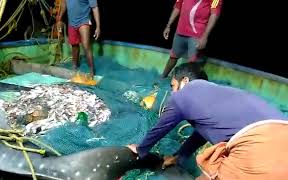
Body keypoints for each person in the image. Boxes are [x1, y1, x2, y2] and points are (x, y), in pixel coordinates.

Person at [127, 62, 288, 180]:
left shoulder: (183, 95)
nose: (172, 92)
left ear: (185, 81)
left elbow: (161, 127)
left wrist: (141, 149)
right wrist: (179, 156)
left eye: (173, 85)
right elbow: (201, 134)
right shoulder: (216, 96)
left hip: (257, 146)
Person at [161, 0, 222, 78]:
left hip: (196, 34)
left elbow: (214, 14)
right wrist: (168, 25)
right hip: (180, 31)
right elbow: (178, 6)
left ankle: (187, 87)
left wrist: (205, 36)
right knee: (172, 57)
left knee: (191, 64)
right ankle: (162, 78)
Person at [58, 0, 101, 76]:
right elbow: (64, 4)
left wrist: (98, 27)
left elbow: (95, 8)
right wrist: (59, 19)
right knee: (74, 46)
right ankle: (75, 67)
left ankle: (92, 71)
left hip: (84, 21)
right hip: (71, 23)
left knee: (85, 46)